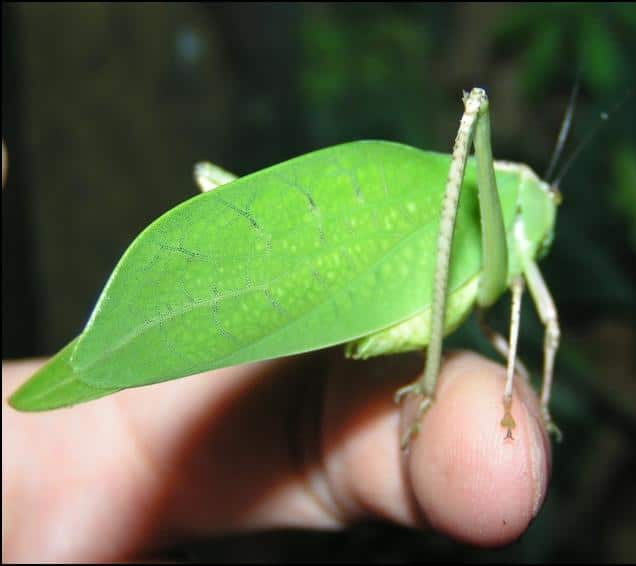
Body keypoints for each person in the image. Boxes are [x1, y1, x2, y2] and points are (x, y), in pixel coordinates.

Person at [1, 141, 550, 563]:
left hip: (404, 285)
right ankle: (431, 382)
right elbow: (542, 320)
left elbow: (511, 297)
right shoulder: (503, 197)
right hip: (394, 272)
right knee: (473, 110)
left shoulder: (507, 222)